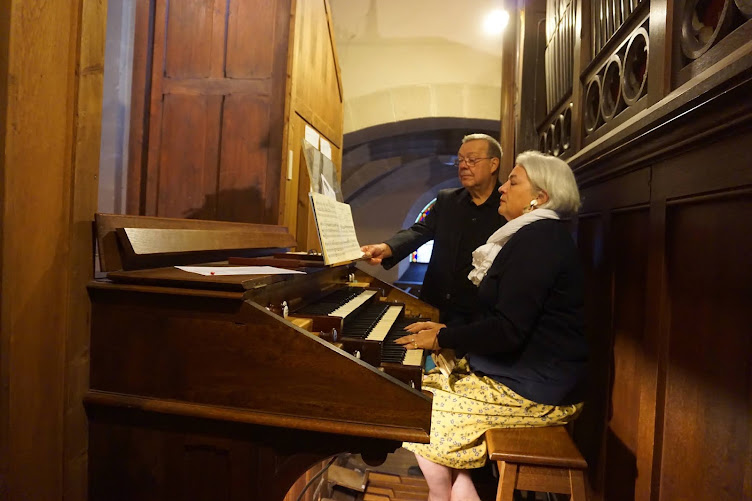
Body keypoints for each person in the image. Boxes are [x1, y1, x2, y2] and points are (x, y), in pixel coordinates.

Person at [394, 151, 588, 501]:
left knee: (416, 410)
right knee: (428, 383)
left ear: (538, 198)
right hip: (522, 374)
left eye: (513, 181)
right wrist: (443, 334)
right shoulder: (531, 236)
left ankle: (440, 496)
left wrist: (443, 338)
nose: (503, 189)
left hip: (536, 389)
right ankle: (460, 488)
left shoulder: (540, 241)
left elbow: (507, 329)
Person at [361, 133, 505, 325]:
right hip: (435, 306)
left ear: (493, 164)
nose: (463, 166)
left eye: (472, 160)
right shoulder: (447, 200)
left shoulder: (508, 206)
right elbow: (419, 231)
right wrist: (386, 248)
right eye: (461, 160)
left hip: (479, 317)